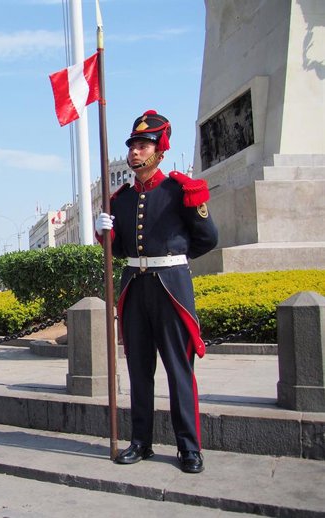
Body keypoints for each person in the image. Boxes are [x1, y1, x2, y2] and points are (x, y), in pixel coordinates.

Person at [95, 110, 218, 474]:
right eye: (133, 145)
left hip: (171, 288)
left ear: (160, 151)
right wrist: (106, 233)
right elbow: (117, 252)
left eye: (143, 145)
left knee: (179, 369)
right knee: (139, 369)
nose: (135, 152)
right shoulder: (120, 200)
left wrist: (174, 258)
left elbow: (208, 238)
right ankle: (141, 441)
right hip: (135, 288)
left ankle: (189, 447)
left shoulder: (180, 189)